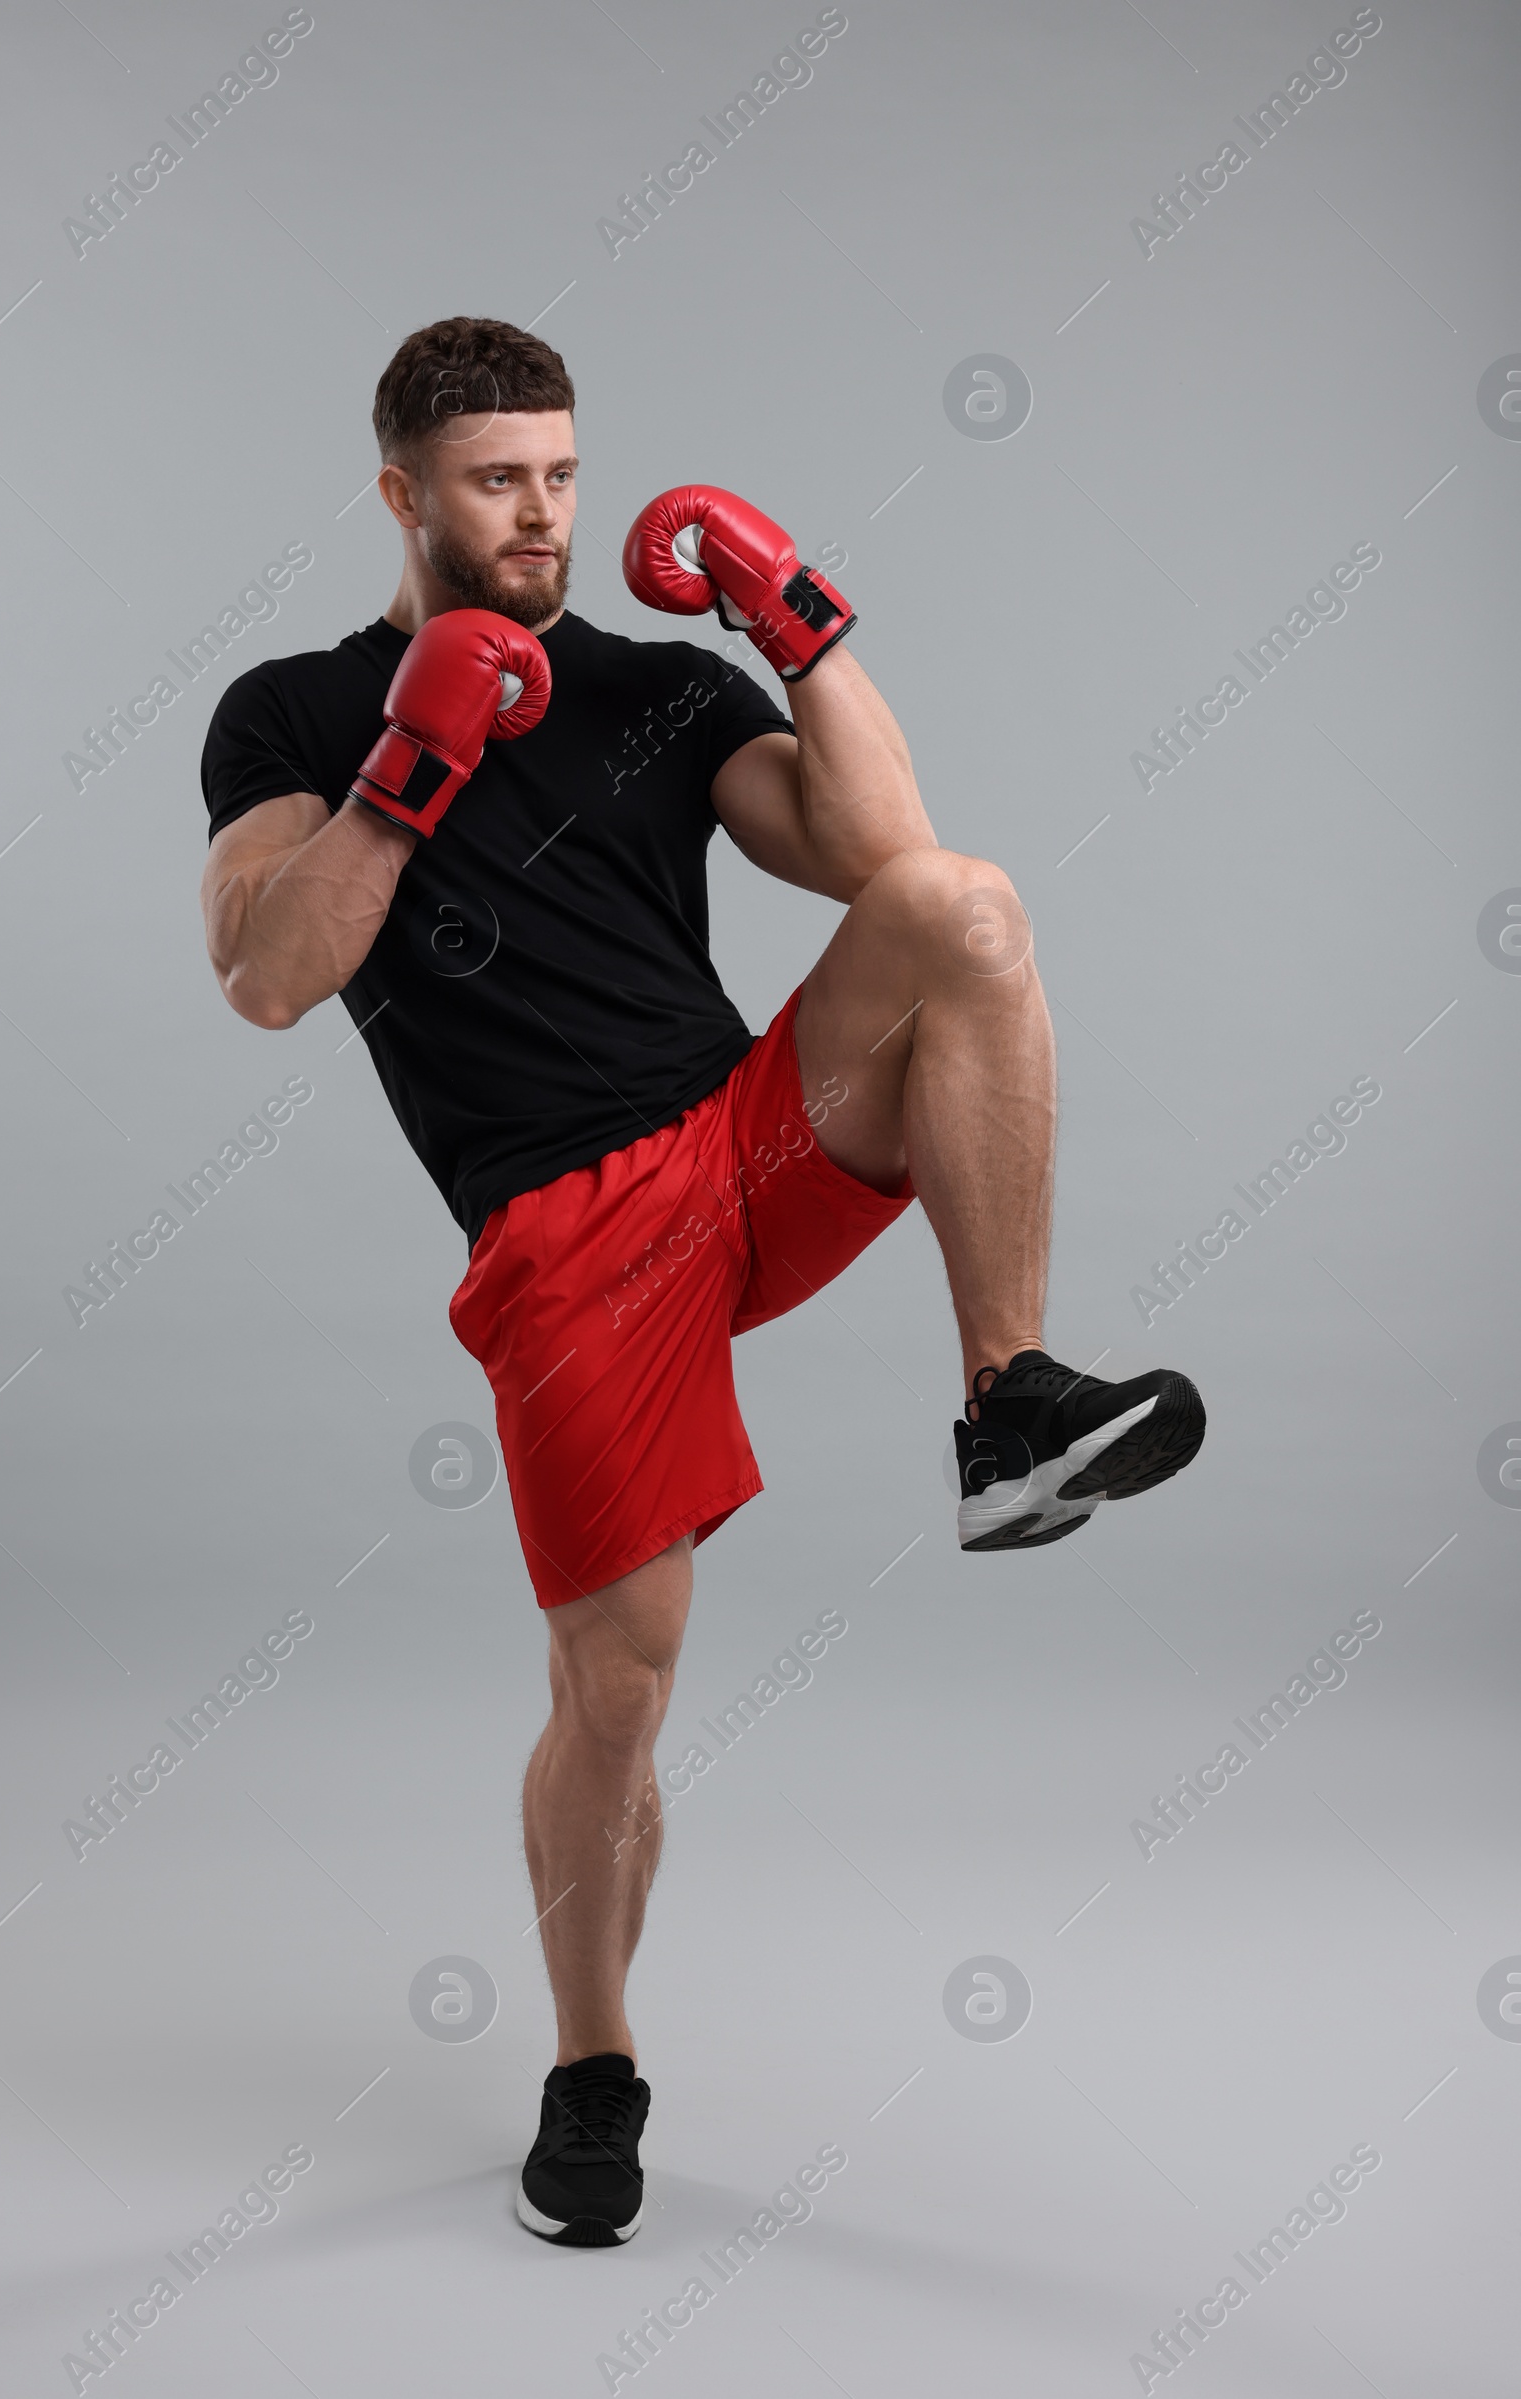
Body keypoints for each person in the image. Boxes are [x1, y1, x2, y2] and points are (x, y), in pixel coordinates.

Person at [198, 315, 1205, 2250]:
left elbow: (881, 859)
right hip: (566, 1236)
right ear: (403, 492)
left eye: (563, 474)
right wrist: (409, 768)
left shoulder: (652, 682)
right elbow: (267, 972)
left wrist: (795, 620)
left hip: (745, 1137)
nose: (544, 514)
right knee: (620, 1691)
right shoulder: (293, 713)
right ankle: (593, 2065)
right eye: (500, 481)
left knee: (964, 907)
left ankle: (1010, 1408)